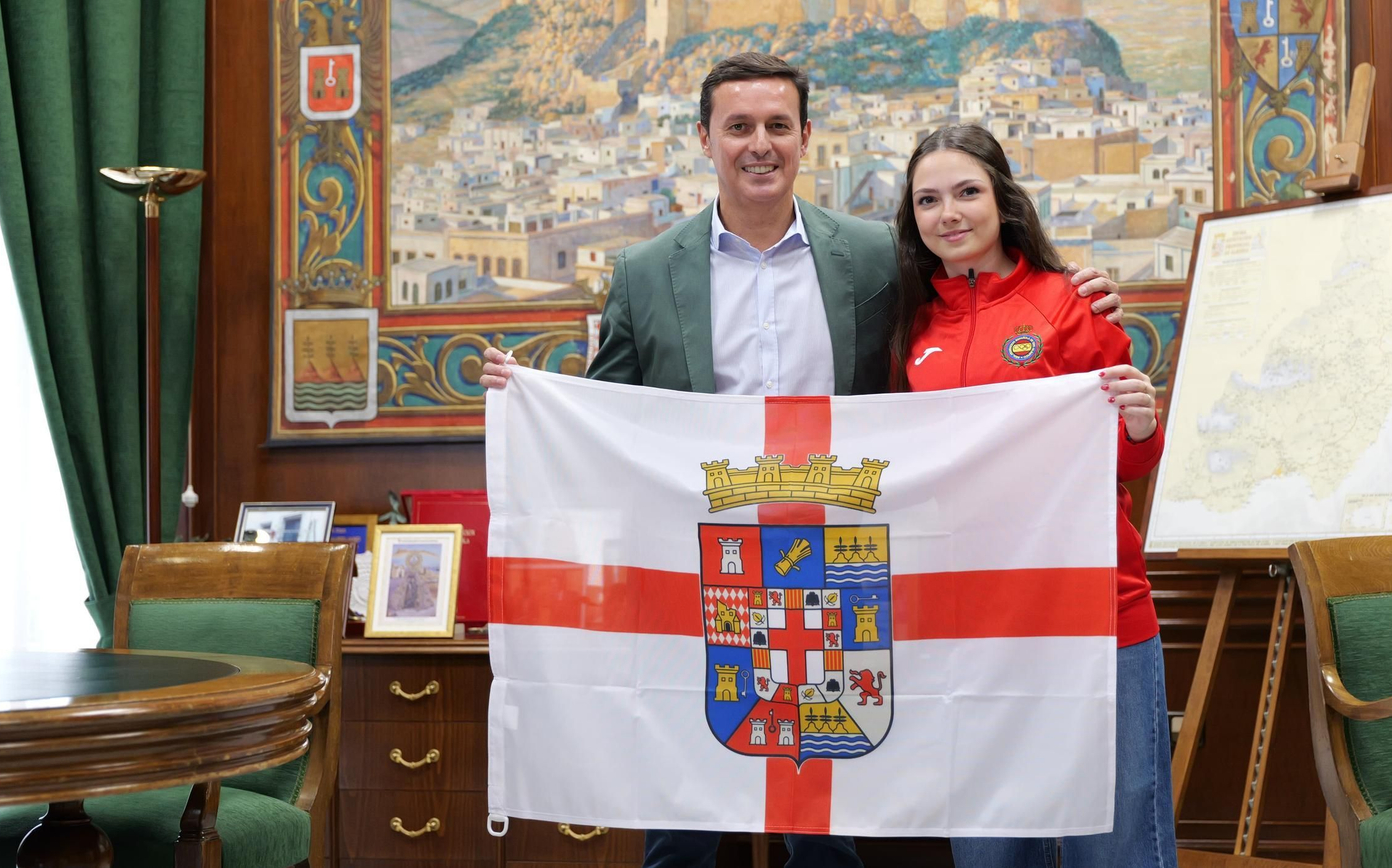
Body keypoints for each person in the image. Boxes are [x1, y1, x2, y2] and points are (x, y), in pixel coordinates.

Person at [481, 54, 1124, 868]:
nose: (760, 144)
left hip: (841, 569)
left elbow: (973, 313)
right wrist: (532, 400)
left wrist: (1074, 291)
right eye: (739, 126)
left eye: (778, 125)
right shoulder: (645, 273)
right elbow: (613, 417)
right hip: (700, 574)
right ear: (705, 138)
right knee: (681, 823)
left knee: (828, 817)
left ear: (806, 136)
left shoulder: (874, 255)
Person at [894, 123, 1175, 868]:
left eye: (966, 192)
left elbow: (1125, 460)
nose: (949, 213)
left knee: (1117, 844)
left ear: (1002, 199)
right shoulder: (909, 330)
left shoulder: (1070, 303)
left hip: (1094, 613)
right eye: (928, 200)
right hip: (973, 630)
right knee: (992, 849)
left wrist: (1142, 423)